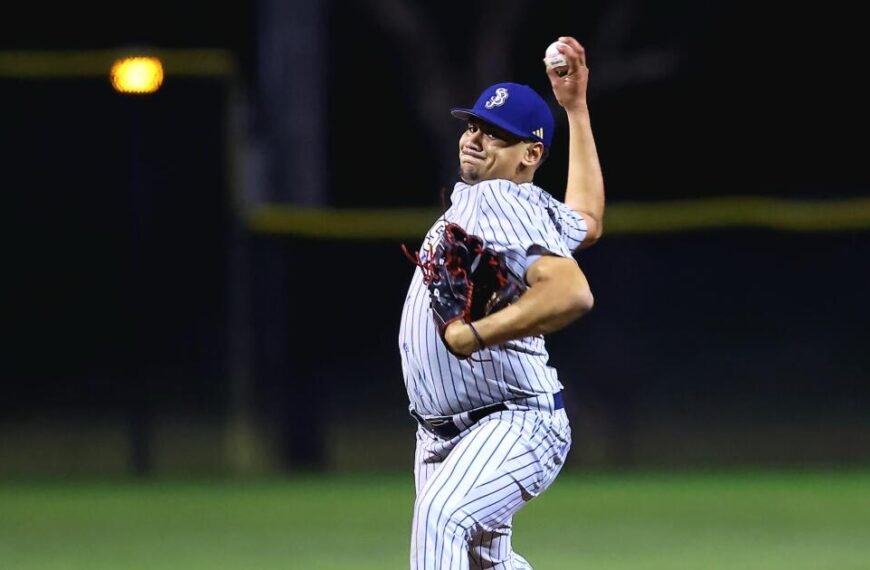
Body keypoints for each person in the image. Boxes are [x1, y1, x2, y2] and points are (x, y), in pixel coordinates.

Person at [398, 36, 605, 569]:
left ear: (530, 155)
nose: (474, 138)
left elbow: (571, 290)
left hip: (509, 422)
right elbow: (588, 218)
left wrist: (475, 334)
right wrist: (576, 110)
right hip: (450, 431)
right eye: (473, 125)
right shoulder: (526, 204)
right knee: (484, 563)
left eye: (495, 133)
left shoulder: (497, 198)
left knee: (441, 519)